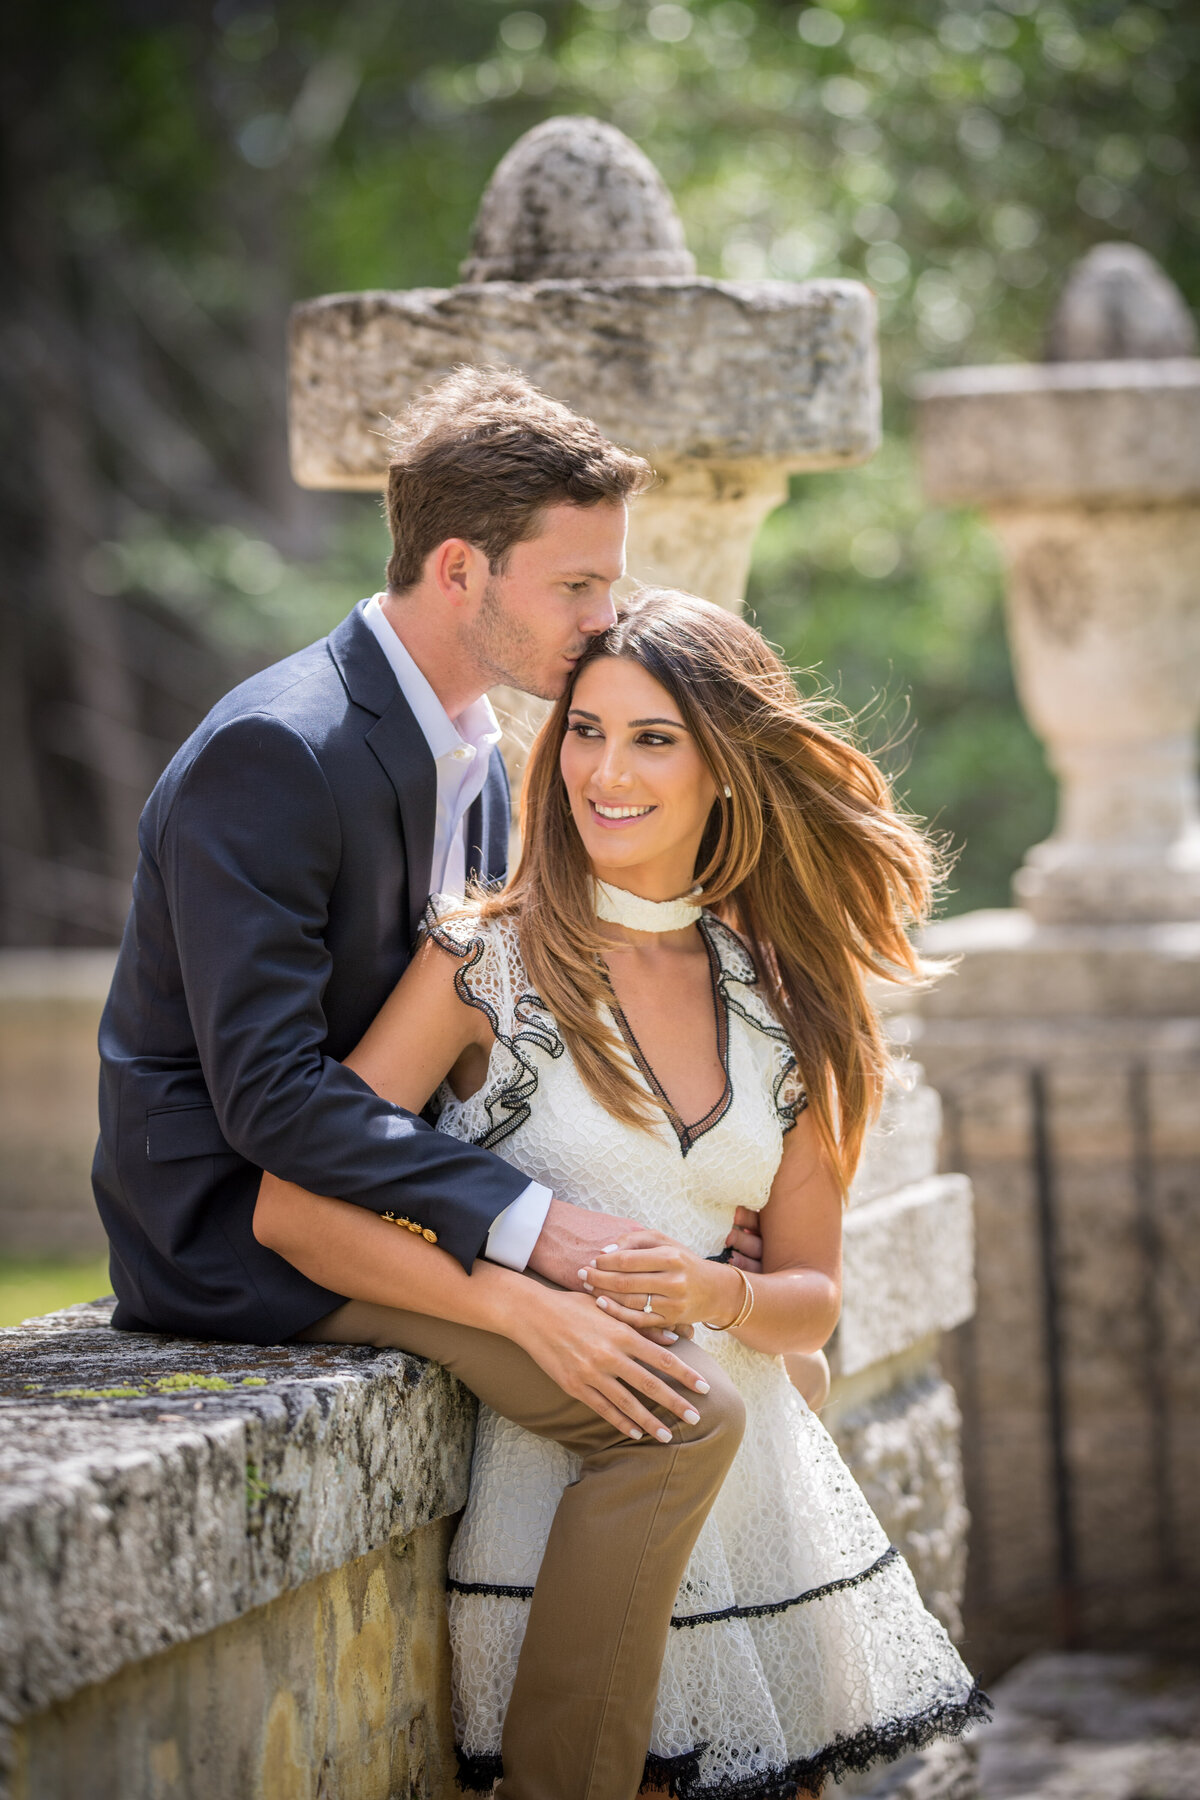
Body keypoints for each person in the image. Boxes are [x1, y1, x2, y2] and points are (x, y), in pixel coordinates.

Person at [93, 369, 758, 1800]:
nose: (605, 622)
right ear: (462, 569)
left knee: (707, 1333)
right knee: (675, 1421)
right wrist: (527, 1238)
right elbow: (269, 1100)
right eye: (578, 584)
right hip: (240, 1229)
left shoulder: (482, 747)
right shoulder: (282, 750)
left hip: (386, 1188)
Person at [255, 589, 990, 1799]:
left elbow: (811, 1299)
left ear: (725, 766)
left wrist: (712, 1289)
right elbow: (302, 1195)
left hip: (765, 1525)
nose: (606, 769)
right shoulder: (480, 958)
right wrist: (508, 1299)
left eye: (654, 738)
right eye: (586, 731)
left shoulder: (792, 1000)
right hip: (570, 1497)